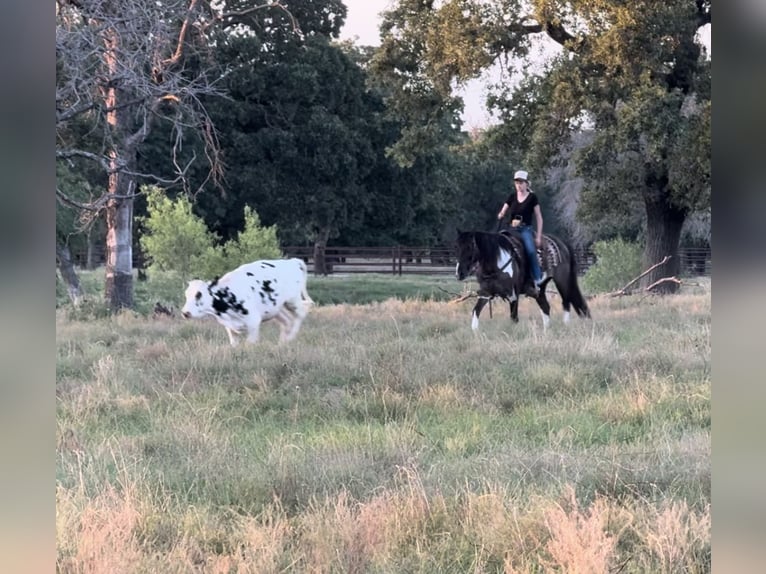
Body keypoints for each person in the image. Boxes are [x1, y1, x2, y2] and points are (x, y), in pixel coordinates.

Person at [497, 169, 545, 293]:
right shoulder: (512, 197)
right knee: (497, 246)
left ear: (527, 183)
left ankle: (538, 279)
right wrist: (501, 214)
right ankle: (496, 277)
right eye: (517, 182)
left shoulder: (532, 198)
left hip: (525, 229)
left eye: (521, 182)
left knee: (530, 251)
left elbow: (539, 217)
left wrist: (538, 236)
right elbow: (504, 209)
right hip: (511, 228)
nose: (519, 185)